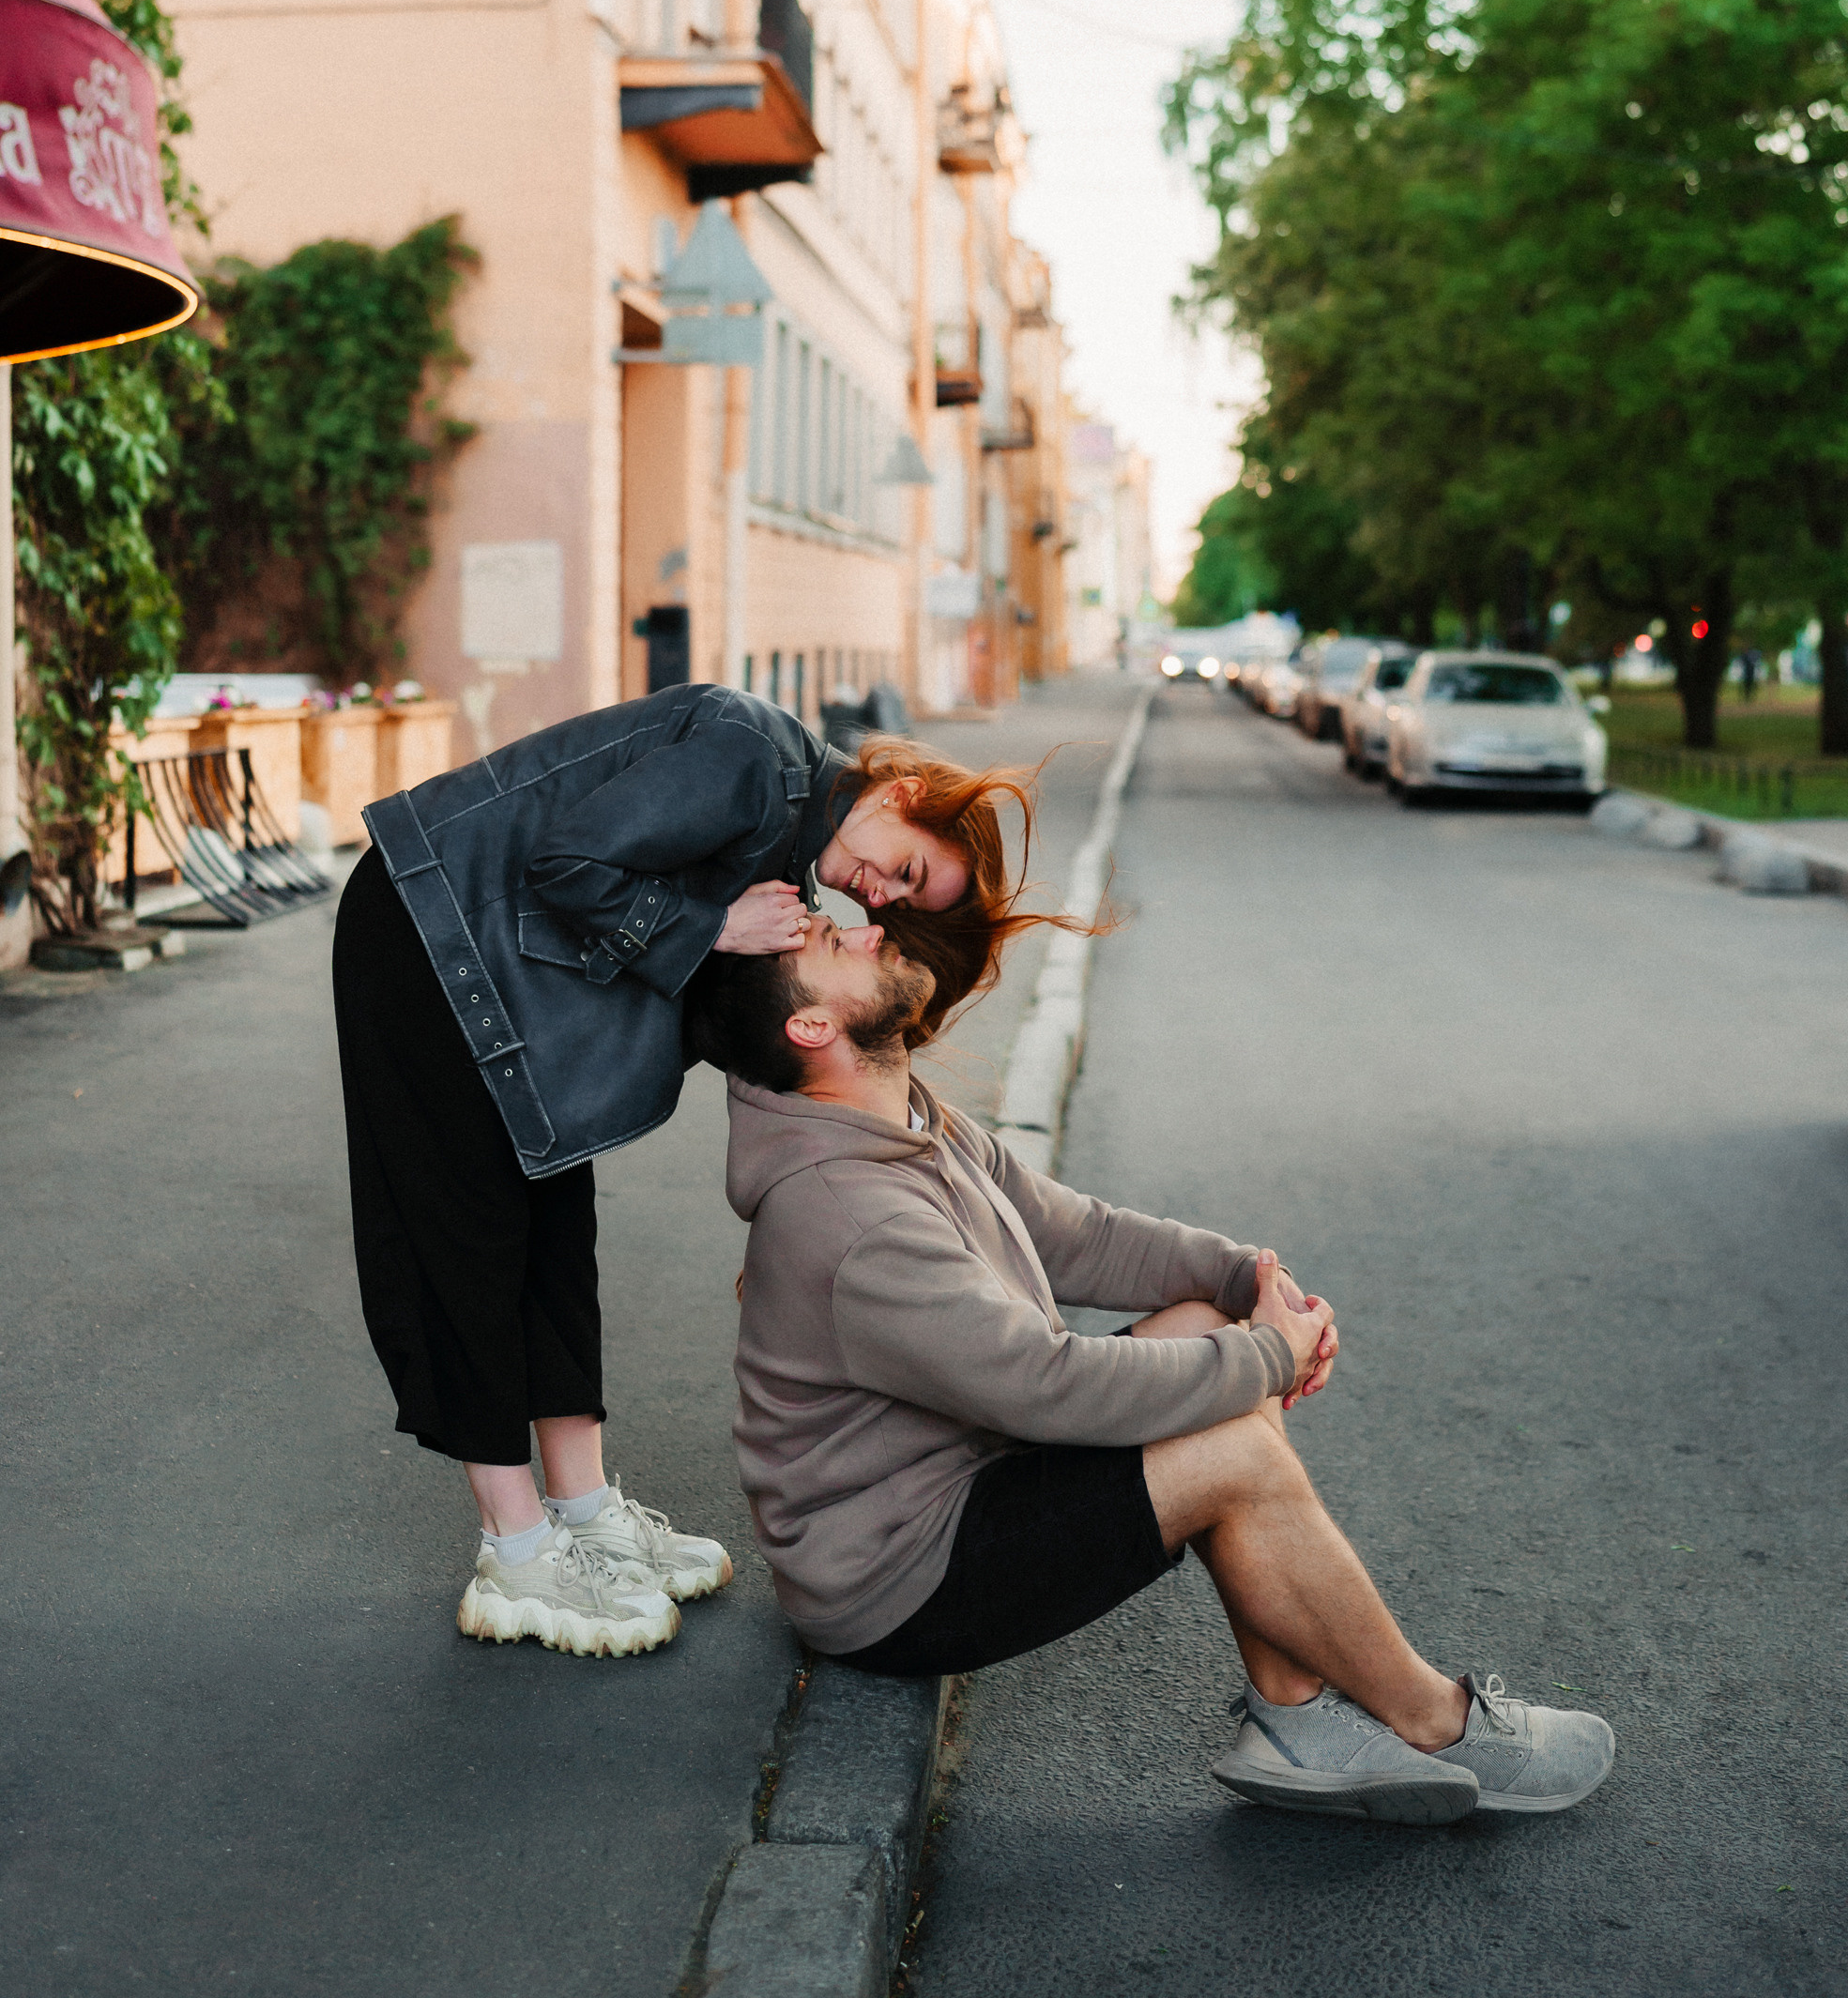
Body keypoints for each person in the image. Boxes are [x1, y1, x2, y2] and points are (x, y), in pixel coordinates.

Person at [683, 918, 1617, 1823]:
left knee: (1200, 1324)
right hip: (894, 1576)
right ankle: (1436, 1722)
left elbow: (1076, 1237)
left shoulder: (904, 1120)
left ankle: (1294, 1716)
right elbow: (1045, 1384)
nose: (864, 930)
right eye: (831, 943)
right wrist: (1267, 1357)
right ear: (812, 1028)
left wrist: (1246, 1280)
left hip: (968, 1478)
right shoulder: (848, 1214)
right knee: (1234, 1455)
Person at [332, 681, 1050, 1661]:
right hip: (426, 931)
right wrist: (710, 926)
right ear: (902, 793)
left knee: (554, 1228)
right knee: (469, 1235)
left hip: (498, 971)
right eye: (906, 870)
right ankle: (516, 1550)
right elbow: (565, 862)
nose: (878, 895)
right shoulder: (750, 760)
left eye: (899, 899)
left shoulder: (788, 848)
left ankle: (583, 1511)